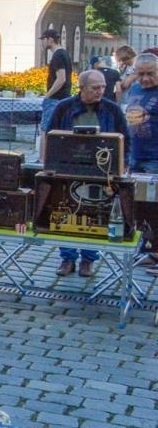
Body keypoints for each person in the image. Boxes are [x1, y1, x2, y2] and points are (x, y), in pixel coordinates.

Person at [44, 69, 133, 278]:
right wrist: (49, 163)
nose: (101, 91)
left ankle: (88, 259)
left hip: (101, 169)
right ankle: (67, 258)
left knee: (95, 213)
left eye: (103, 87)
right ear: (81, 88)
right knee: (65, 211)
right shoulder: (63, 107)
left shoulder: (112, 110)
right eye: (95, 88)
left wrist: (124, 164)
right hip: (68, 167)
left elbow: (125, 138)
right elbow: (51, 135)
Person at [38, 29, 71, 150]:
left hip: (55, 98)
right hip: (64, 97)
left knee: (45, 130)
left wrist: (47, 95)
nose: (42, 42)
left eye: (43, 39)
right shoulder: (64, 53)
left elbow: (61, 79)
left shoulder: (58, 55)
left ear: (50, 40)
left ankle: (42, 159)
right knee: (59, 131)